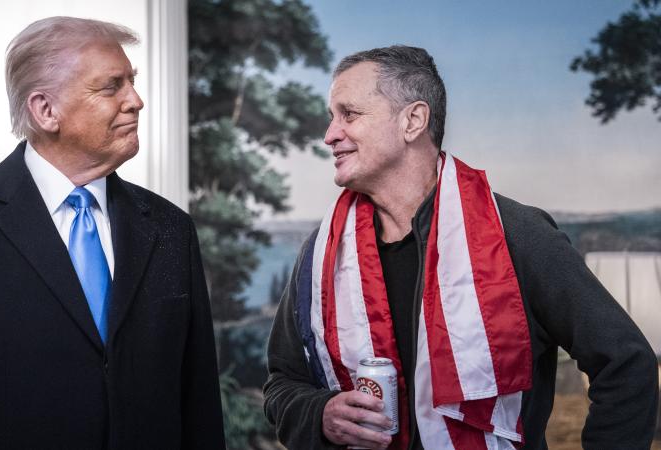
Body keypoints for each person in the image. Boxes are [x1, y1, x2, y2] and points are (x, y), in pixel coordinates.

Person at [263, 45, 658, 450]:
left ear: (413, 121)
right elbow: (283, 382)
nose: (330, 135)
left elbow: (626, 365)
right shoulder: (321, 253)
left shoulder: (516, 235)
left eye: (349, 114)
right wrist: (320, 415)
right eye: (332, 117)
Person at [0, 17, 224, 449]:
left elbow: (198, 406)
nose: (136, 101)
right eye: (112, 86)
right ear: (45, 110)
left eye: (132, 82)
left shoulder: (170, 228)